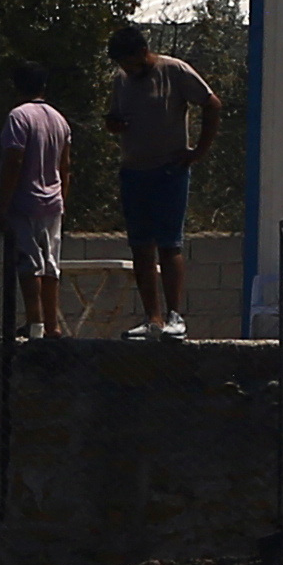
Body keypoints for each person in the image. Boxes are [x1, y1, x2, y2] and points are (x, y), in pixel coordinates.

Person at [107, 20, 221, 339]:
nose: (126, 69)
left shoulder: (174, 71)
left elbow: (211, 104)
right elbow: (116, 115)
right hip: (134, 171)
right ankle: (152, 318)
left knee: (169, 245)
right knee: (141, 247)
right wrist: (115, 125)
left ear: (143, 52)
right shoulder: (122, 79)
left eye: (129, 62)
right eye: (121, 65)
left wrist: (198, 150)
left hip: (169, 171)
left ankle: (174, 316)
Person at [0, 60, 73, 340]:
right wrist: (62, 197)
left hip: (25, 200)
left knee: (29, 263)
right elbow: (65, 165)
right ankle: (52, 324)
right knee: (51, 263)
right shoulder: (59, 119)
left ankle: (35, 323)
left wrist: (4, 201)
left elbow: (13, 160)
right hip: (53, 201)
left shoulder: (18, 117)